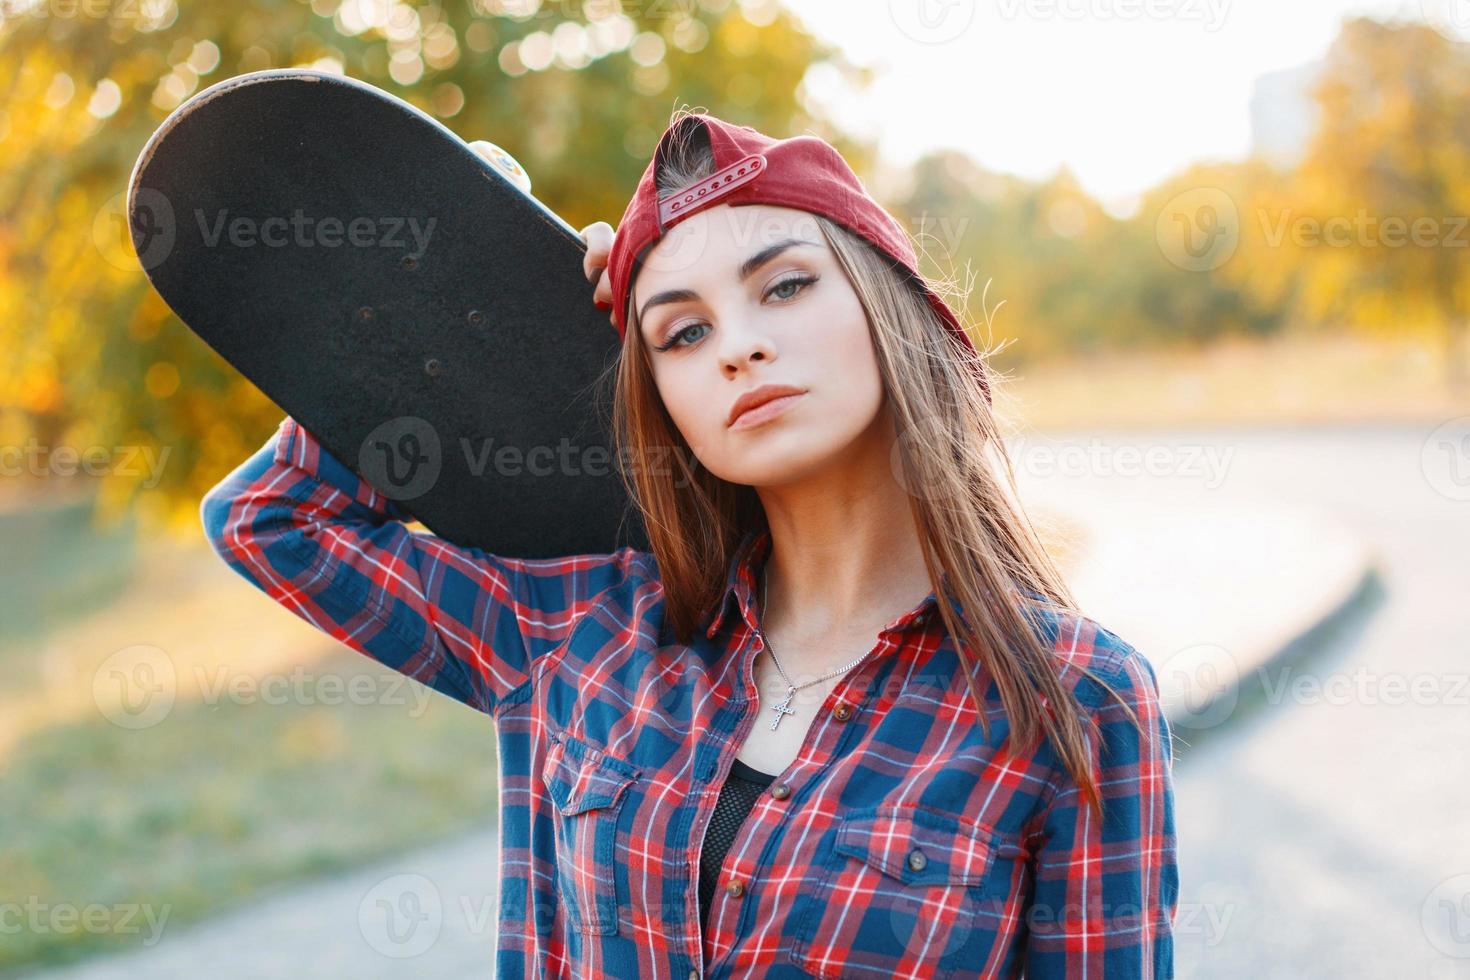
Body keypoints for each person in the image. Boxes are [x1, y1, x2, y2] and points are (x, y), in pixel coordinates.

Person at [201, 110, 1178, 978]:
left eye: (785, 286)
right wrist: (488, 301)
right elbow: (274, 516)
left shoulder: (1075, 701)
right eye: (680, 332)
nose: (736, 346)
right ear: (660, 397)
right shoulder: (576, 630)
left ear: (894, 313)